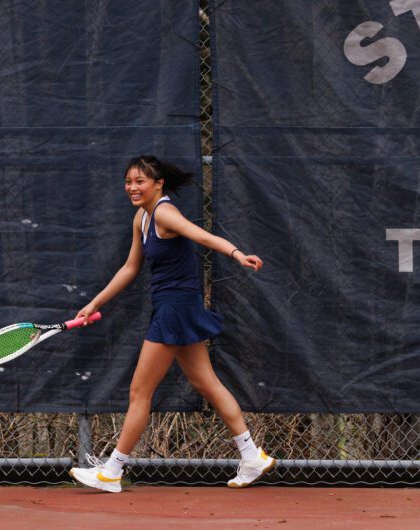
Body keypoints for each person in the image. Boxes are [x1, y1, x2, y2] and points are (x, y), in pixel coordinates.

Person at [68, 155, 275, 492]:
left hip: (175, 310)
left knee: (140, 392)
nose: (132, 188)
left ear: (158, 183)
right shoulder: (142, 217)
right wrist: (95, 302)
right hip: (176, 307)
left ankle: (112, 472)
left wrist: (238, 254)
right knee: (207, 383)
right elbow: (130, 268)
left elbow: (203, 237)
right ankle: (252, 456)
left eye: (140, 181)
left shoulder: (165, 212)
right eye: (129, 181)